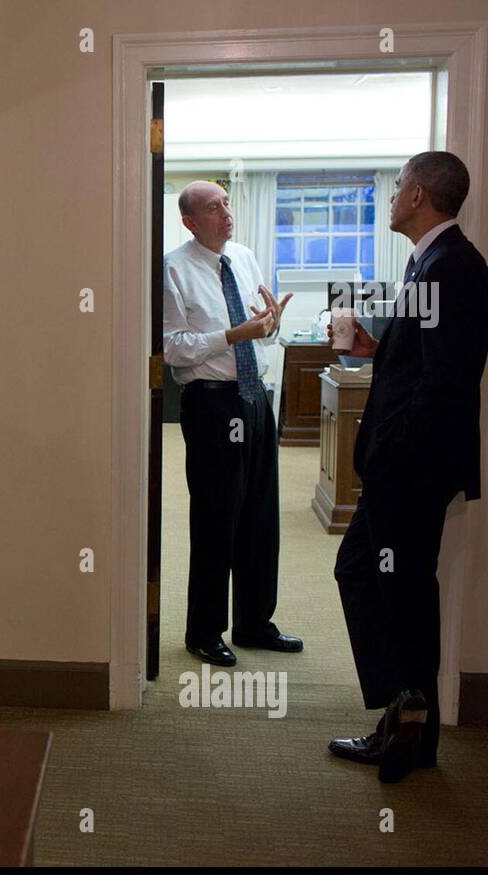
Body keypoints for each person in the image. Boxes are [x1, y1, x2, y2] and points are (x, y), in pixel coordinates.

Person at [327, 151, 488, 783]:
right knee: (395, 589)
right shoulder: (431, 262)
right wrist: (379, 349)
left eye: (398, 186)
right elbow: (423, 363)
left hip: (412, 472)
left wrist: (395, 456)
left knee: (396, 591)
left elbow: (446, 386)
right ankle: (408, 726)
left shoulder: (452, 266)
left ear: (419, 195)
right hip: (409, 469)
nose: (392, 196)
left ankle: (407, 722)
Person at [163, 180, 303, 666]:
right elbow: (173, 347)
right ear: (189, 221)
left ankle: (253, 622)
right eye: (213, 207)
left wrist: (270, 324)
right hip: (211, 404)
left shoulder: (242, 257)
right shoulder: (173, 269)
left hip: (254, 397)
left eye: (227, 203)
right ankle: (204, 631)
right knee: (216, 517)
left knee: (260, 515)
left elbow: (260, 329)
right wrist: (233, 334)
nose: (226, 213)